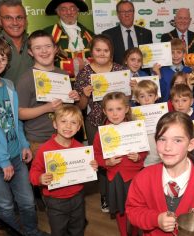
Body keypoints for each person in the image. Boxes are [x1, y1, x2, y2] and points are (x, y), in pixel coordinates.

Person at [0, 36, 45, 236]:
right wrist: (4, 161)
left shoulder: (9, 86)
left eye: (2, 58)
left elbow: (14, 121)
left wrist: (23, 144)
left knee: (28, 202)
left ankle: (31, 232)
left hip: (16, 156)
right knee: (5, 206)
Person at [126, 112, 194, 235]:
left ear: (191, 145)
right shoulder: (143, 178)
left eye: (177, 140)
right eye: (162, 139)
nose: (167, 147)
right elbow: (133, 211)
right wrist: (156, 219)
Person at [74, 34, 124, 213]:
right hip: (95, 123)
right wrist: (85, 95)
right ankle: (104, 194)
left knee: (119, 158)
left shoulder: (120, 69)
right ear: (91, 52)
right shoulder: (85, 73)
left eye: (106, 50)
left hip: (118, 123)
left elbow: (126, 100)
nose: (102, 53)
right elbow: (80, 106)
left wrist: (130, 88)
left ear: (111, 52)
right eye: (98, 50)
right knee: (102, 161)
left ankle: (119, 191)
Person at [29, 105, 98, 236]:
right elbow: (33, 172)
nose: (68, 126)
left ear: (78, 128)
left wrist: (92, 166)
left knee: (78, 228)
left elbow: (86, 170)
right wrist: (39, 178)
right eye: (63, 121)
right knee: (58, 231)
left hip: (77, 196)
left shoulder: (80, 149)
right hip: (55, 200)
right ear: (55, 124)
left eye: (73, 122)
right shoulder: (45, 149)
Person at [18, 30, 80, 159]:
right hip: (39, 141)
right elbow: (20, 113)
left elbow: (67, 108)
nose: (44, 51)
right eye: (38, 48)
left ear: (55, 49)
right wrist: (46, 108)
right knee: (44, 178)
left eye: (48, 46)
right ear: (30, 52)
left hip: (65, 137)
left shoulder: (63, 75)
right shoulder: (26, 78)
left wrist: (74, 98)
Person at [94, 92, 147, 235]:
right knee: (120, 210)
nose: (115, 114)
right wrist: (107, 162)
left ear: (127, 109)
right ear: (104, 111)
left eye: (119, 109)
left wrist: (138, 157)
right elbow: (96, 156)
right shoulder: (102, 133)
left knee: (137, 208)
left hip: (135, 177)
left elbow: (144, 150)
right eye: (110, 110)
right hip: (115, 178)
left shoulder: (135, 128)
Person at [44, 0, 94, 78]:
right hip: (60, 84)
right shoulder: (47, 34)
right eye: (63, 9)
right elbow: (42, 61)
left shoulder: (90, 35)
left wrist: (87, 64)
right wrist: (71, 66)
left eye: (72, 8)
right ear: (57, 12)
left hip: (87, 84)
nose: (69, 12)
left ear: (78, 10)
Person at [103, 1, 153, 65]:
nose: (127, 15)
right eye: (123, 12)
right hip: (118, 73)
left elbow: (149, 57)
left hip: (142, 73)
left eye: (129, 11)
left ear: (133, 13)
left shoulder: (146, 33)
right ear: (118, 15)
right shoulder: (108, 35)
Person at [132, 80, 161, 167]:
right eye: (142, 96)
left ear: (156, 97)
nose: (147, 99)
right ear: (137, 99)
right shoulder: (133, 116)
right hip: (144, 160)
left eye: (150, 95)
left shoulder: (162, 112)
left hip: (161, 156)